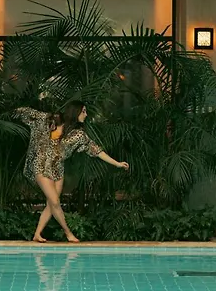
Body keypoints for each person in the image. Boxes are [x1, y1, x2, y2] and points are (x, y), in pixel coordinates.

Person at [14, 101, 129, 243]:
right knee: (55, 201)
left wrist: (117, 163)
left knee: (51, 204)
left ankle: (37, 234)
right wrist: (13, 111)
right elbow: (32, 114)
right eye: (84, 111)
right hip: (41, 165)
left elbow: (96, 150)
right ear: (76, 111)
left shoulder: (79, 134)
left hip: (58, 169)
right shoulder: (52, 120)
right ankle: (68, 233)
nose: (86, 114)